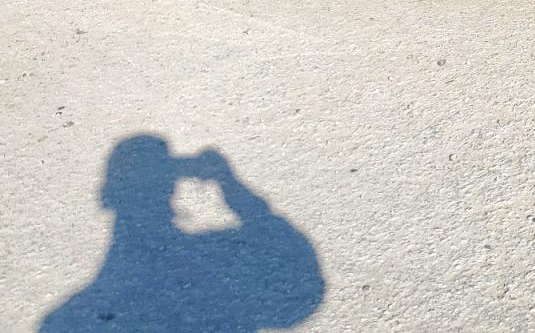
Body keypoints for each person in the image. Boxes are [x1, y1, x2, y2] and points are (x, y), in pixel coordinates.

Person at [42, 135, 324, 332]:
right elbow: (289, 256)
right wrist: (228, 182)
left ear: (107, 196)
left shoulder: (66, 321)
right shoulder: (219, 259)